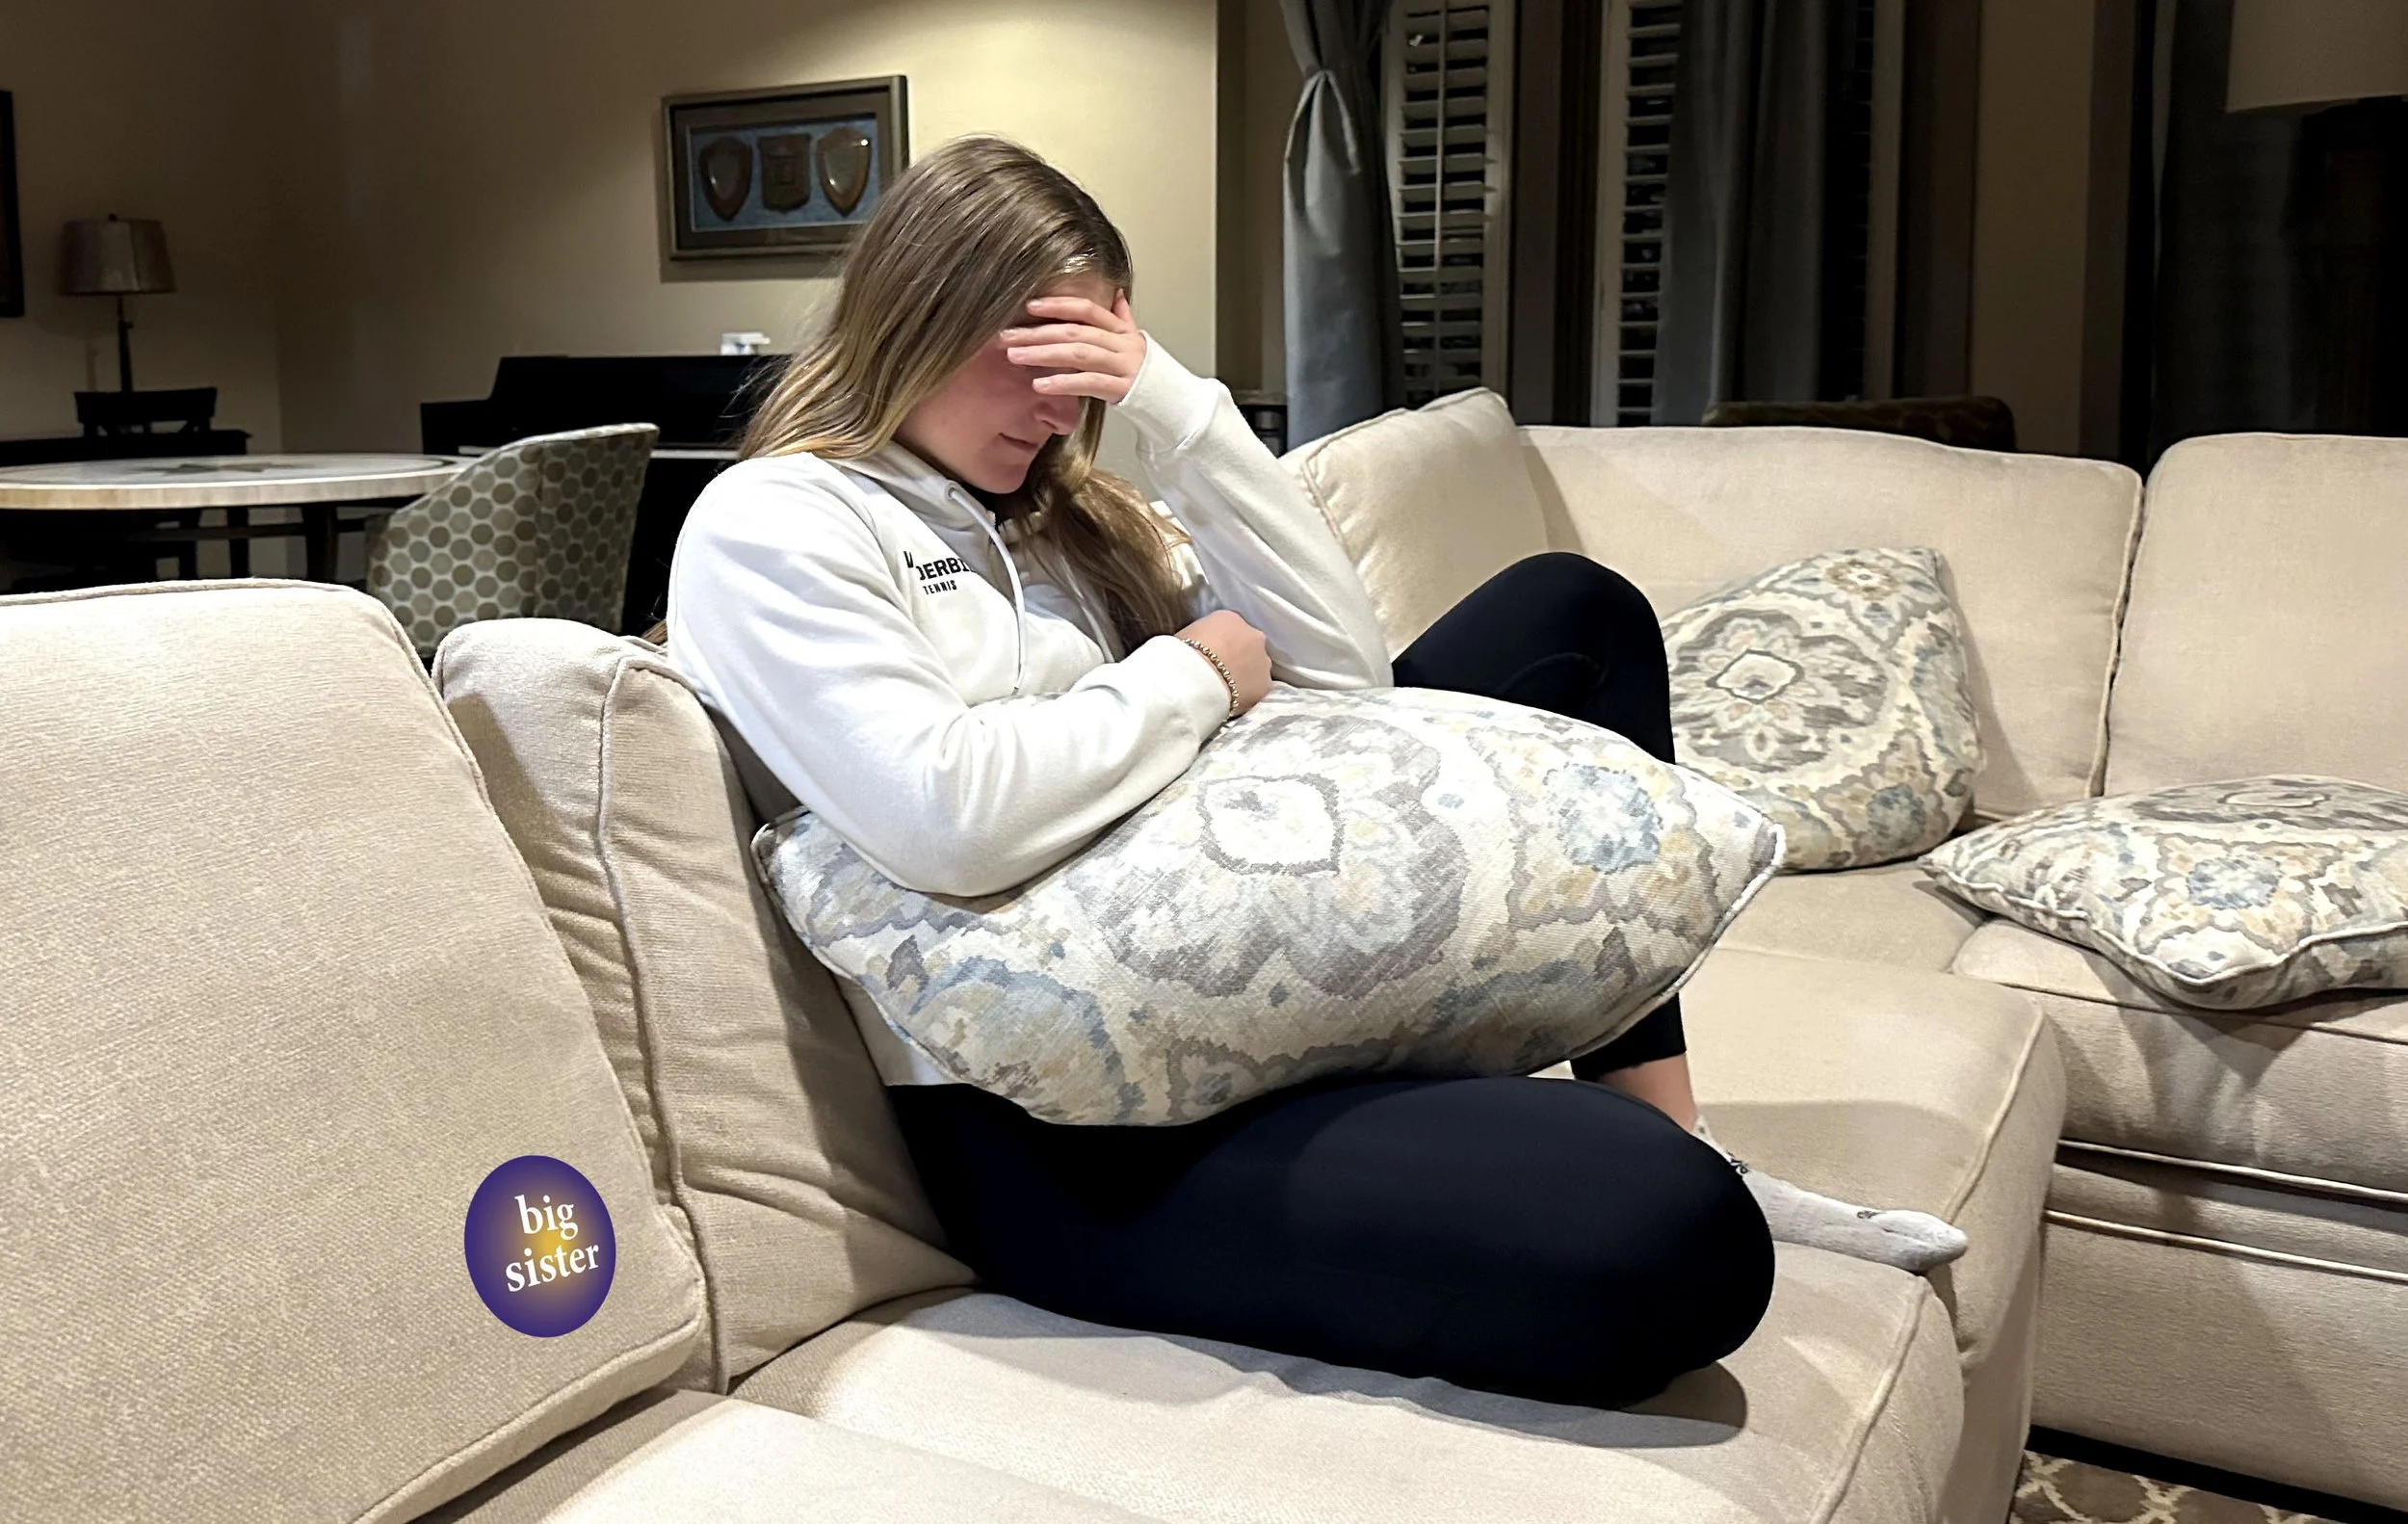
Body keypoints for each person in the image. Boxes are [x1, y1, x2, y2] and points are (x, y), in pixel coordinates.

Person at [666, 136, 1965, 1407]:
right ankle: (1658, 1166)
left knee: (1575, 618)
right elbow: (944, 816)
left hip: (1232, 982)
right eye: (1040, 353)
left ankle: (1680, 1120)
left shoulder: (1066, 525)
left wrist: (1179, 407)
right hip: (1047, 1127)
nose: (1064, 408)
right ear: (920, 313)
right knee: (1677, 1237)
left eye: (1093, 364)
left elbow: (1349, 678)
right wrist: (1192, 674)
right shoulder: (778, 520)